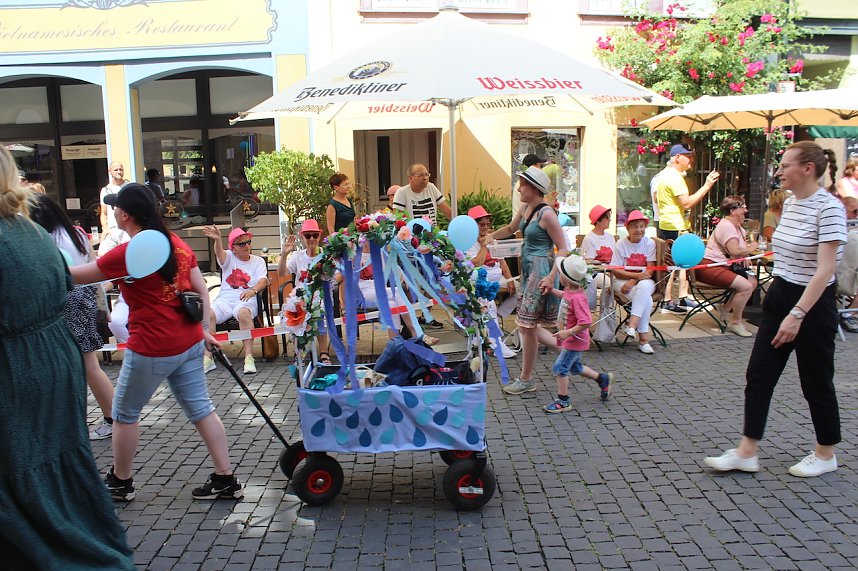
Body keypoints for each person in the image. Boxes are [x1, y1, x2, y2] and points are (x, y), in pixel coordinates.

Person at [0, 147, 134, 569]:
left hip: (18, 371)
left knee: (24, 481)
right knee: (55, 470)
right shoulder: (30, 231)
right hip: (53, 364)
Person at [70, 183, 244, 500]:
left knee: (124, 414)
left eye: (114, 207)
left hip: (151, 345)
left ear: (124, 214)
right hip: (189, 341)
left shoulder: (126, 253)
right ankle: (225, 478)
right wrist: (205, 329)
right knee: (202, 409)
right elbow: (200, 288)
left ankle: (120, 481)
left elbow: (78, 276)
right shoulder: (177, 243)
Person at [704, 141, 846, 478]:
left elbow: (826, 271)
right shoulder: (794, 203)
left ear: (807, 169)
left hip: (812, 301)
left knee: (816, 382)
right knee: (759, 376)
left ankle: (826, 453)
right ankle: (747, 451)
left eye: (785, 165)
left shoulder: (829, 208)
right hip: (781, 292)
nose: (778, 171)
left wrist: (797, 316)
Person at [30, 194, 118, 440]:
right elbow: (93, 264)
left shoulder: (44, 239)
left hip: (65, 299)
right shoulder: (77, 233)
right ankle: (111, 417)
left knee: (79, 366)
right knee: (88, 365)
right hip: (86, 297)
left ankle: (109, 418)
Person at [489, 166, 568, 395]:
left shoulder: (547, 214)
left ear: (533, 188)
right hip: (528, 269)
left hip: (541, 270)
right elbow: (512, 229)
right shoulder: (526, 208)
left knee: (526, 324)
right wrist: (490, 236)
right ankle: (567, 351)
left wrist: (552, 276)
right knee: (527, 326)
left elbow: (562, 248)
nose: (518, 188)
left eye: (522, 184)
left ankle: (525, 379)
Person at [541, 255, 614, 413]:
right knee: (576, 367)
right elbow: (565, 297)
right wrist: (552, 290)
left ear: (566, 279)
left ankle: (563, 401)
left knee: (560, 368)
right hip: (571, 339)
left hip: (575, 341)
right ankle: (602, 379)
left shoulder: (578, 298)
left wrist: (568, 332)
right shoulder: (570, 290)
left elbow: (586, 321)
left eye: (560, 273)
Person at [656, 144, 720, 313]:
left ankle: (682, 298)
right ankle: (668, 301)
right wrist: (706, 186)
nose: (691, 159)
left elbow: (656, 198)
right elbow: (687, 202)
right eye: (688, 156)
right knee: (674, 263)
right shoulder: (675, 178)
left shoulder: (663, 175)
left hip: (667, 223)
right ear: (677, 157)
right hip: (676, 226)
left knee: (680, 263)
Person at [202, 226, 269, 375]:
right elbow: (219, 253)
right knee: (208, 314)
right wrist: (218, 240)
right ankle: (208, 357)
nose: (246, 246)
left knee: (244, 313)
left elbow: (263, 280)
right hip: (225, 300)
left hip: (247, 298)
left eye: (248, 242)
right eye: (242, 244)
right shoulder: (229, 257)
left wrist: (253, 290)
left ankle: (249, 357)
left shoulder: (258, 261)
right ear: (233, 248)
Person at [393, 163, 452, 328]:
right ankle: (410, 319)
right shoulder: (402, 192)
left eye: (427, 174)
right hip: (410, 244)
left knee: (432, 278)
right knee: (411, 281)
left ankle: (427, 315)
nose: (425, 178)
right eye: (421, 175)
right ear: (411, 178)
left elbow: (445, 209)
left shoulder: (432, 188)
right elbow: (398, 217)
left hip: (431, 241)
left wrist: (456, 223)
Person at [695, 196, 759, 337]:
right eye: (742, 207)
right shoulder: (727, 226)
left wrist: (745, 257)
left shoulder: (738, 228)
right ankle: (735, 322)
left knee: (752, 282)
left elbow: (737, 253)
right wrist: (752, 248)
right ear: (732, 210)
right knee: (746, 286)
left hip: (724, 266)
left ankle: (725, 308)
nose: (746, 210)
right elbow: (734, 250)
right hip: (710, 267)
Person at [465, 204, 516, 358]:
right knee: (487, 303)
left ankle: (497, 318)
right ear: (474, 225)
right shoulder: (468, 241)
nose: (486, 227)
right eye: (482, 224)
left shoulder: (491, 238)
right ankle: (495, 341)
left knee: (521, 292)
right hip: (480, 280)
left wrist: (510, 280)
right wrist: (484, 246)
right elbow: (477, 263)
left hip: (497, 277)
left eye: (488, 224)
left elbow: (502, 261)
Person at [279, 219, 332, 363]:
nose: (312, 239)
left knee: (319, 309)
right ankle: (300, 350)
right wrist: (284, 255)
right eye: (308, 236)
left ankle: (323, 352)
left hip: (321, 294)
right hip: (300, 294)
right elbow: (282, 273)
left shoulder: (326, 255)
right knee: (296, 308)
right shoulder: (297, 256)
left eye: (315, 235)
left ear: (319, 236)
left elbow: (337, 274)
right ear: (302, 237)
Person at [610, 210, 658, 354]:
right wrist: (635, 278)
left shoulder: (649, 243)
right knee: (646, 300)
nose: (639, 230)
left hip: (645, 280)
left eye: (642, 226)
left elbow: (650, 270)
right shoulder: (621, 244)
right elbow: (616, 271)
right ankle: (644, 340)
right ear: (628, 229)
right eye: (635, 226)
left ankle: (631, 325)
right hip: (621, 281)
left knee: (643, 289)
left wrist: (633, 280)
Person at [99, 160, 129, 255]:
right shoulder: (105, 190)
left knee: (127, 255)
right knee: (102, 254)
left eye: (121, 169)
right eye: (116, 170)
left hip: (127, 228)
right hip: (112, 229)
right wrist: (105, 228)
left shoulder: (130, 187)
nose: (119, 172)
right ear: (110, 171)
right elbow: (103, 213)